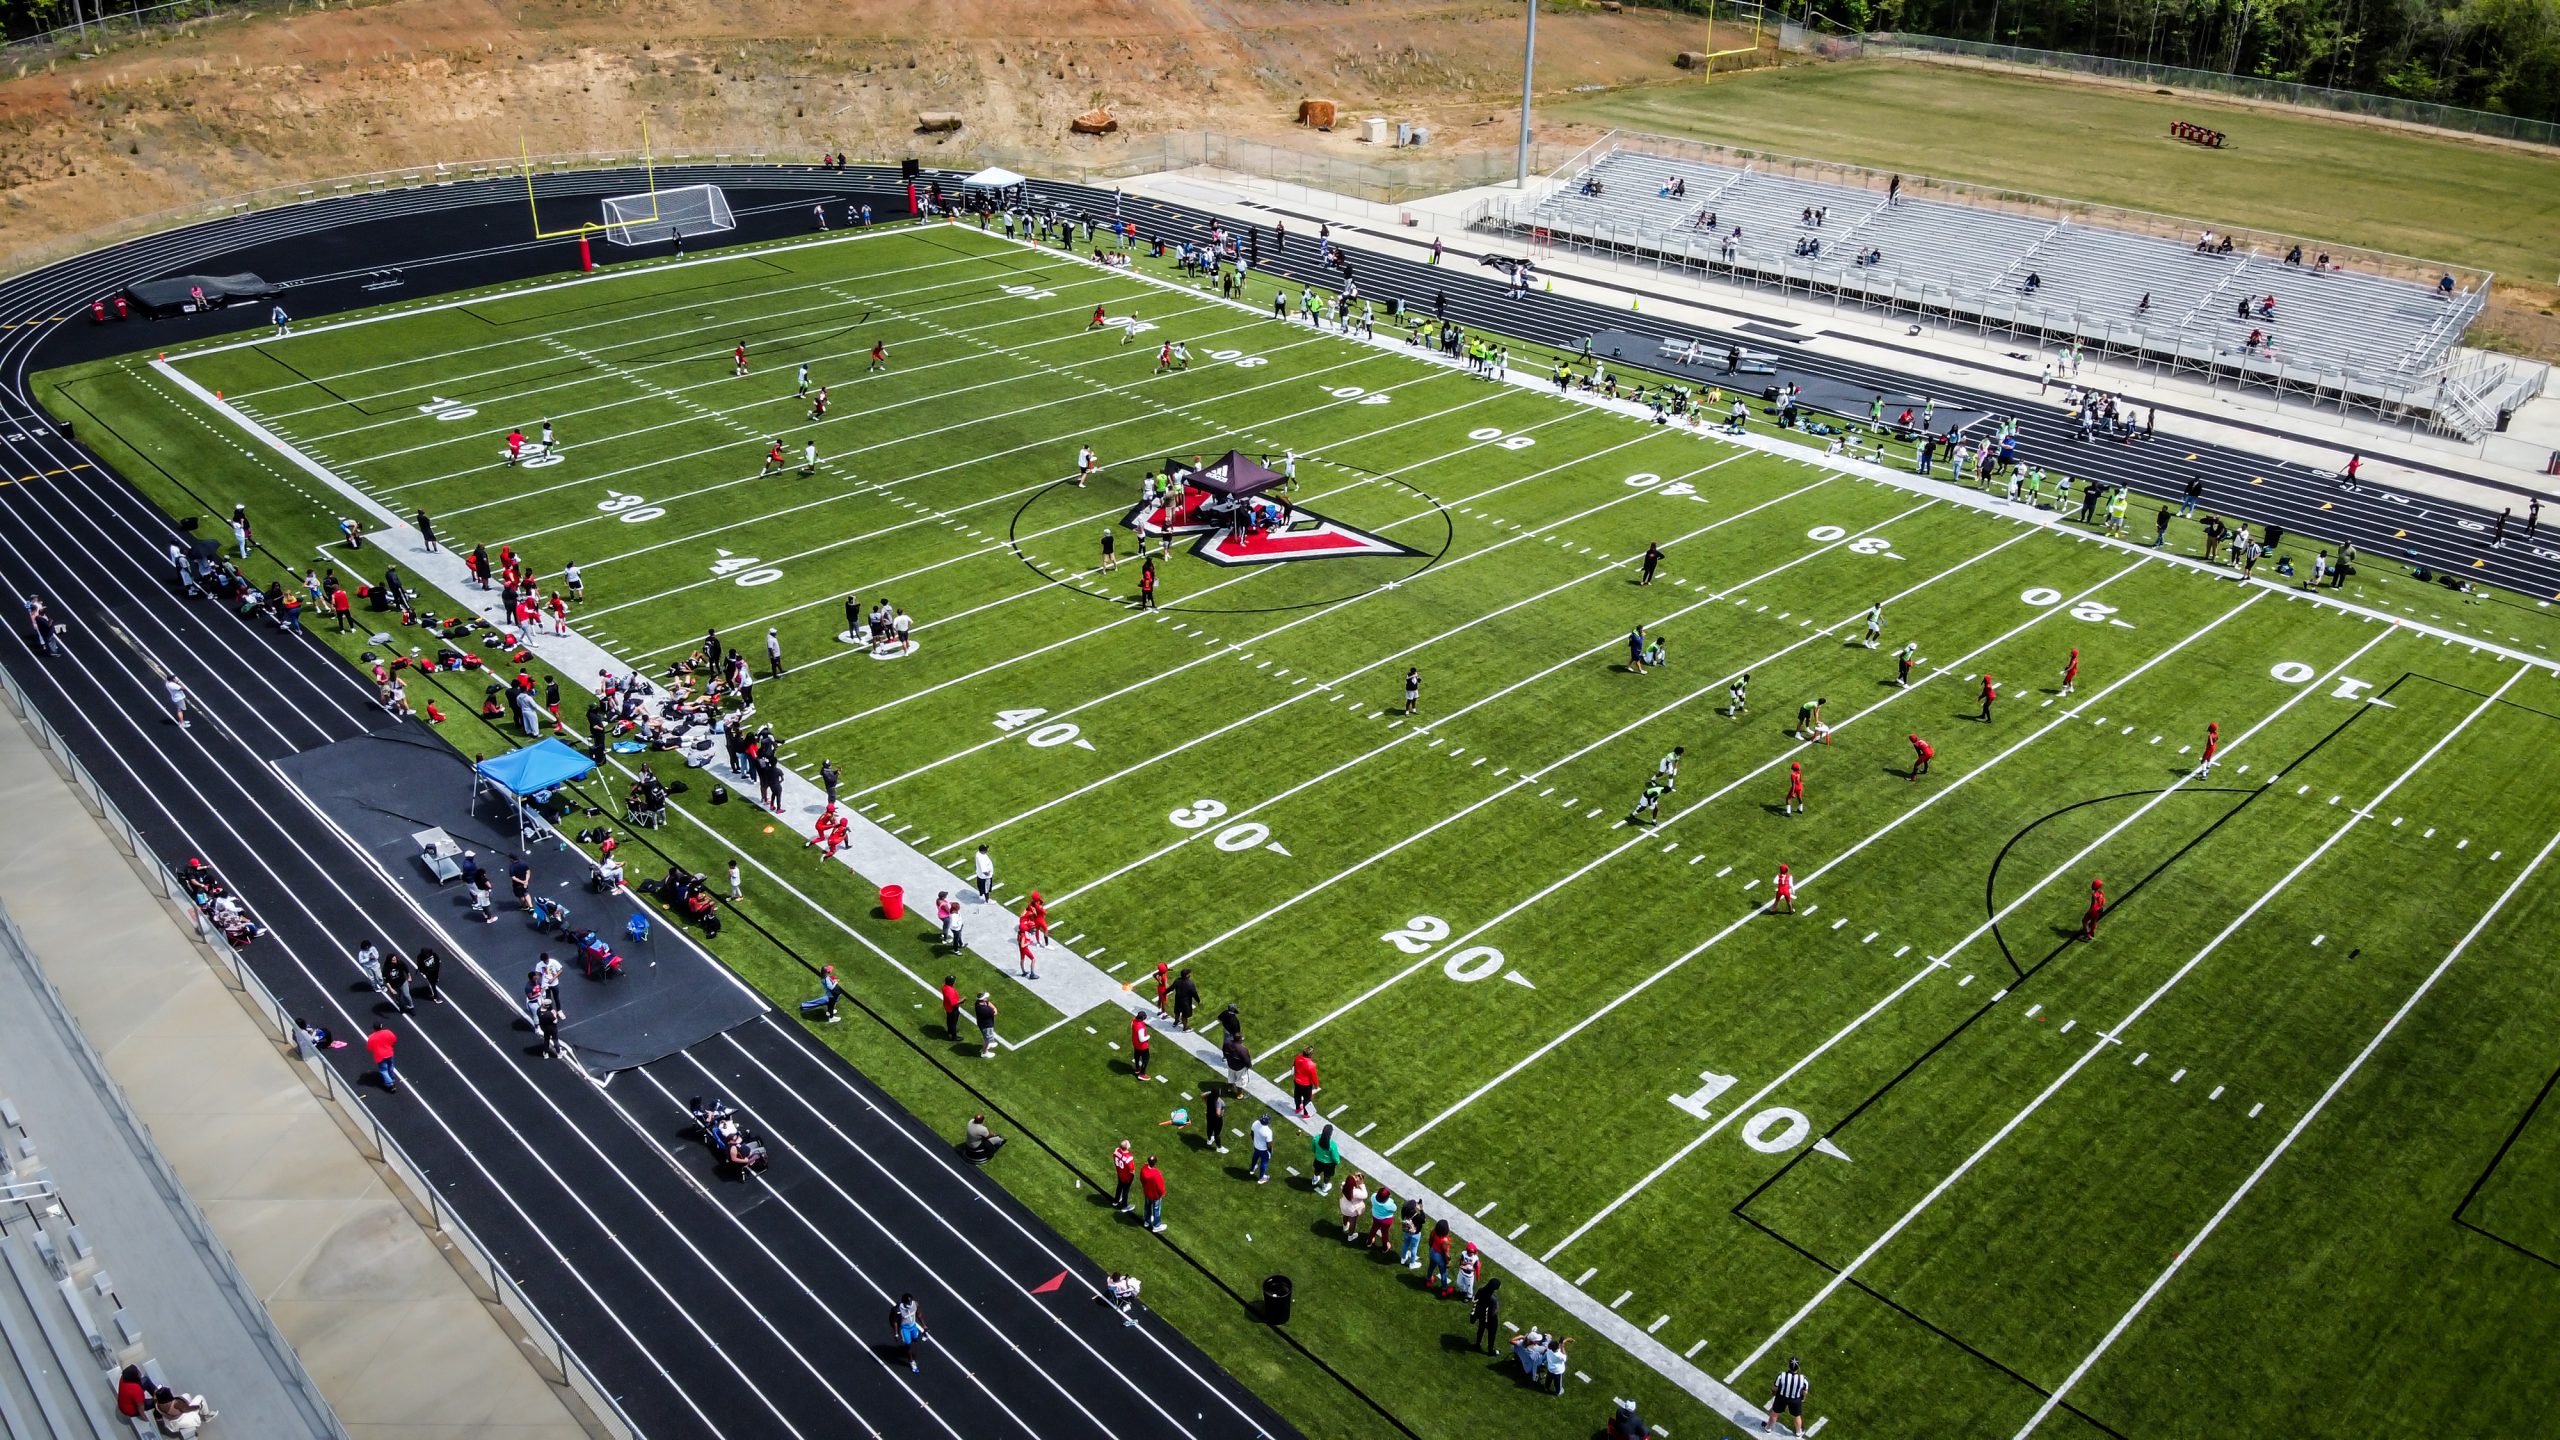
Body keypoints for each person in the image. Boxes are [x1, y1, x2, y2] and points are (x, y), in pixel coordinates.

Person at [1765, 1356, 1811, 1435]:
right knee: (1797, 1416)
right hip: (1795, 1400)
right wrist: (1802, 1398)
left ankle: (1768, 1428)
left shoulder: (1781, 1375)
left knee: (1775, 1413)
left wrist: (1773, 1392)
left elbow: (1775, 1388)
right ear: (1798, 1367)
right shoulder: (1804, 1379)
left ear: (1789, 1365)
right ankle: (1798, 1432)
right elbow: (1805, 1392)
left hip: (1782, 1398)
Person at [893, 1295, 927, 1374]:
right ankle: (911, 1362)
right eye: (907, 1303)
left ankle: (908, 1347)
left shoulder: (915, 1304)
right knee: (908, 1345)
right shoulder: (898, 1309)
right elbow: (895, 1322)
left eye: (910, 1302)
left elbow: (919, 1314)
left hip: (913, 1326)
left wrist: (924, 1325)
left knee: (915, 1338)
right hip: (905, 1329)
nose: (909, 1304)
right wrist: (896, 1333)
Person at [1471, 1274, 1505, 1352]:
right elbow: (1494, 1312)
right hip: (1490, 1319)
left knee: (1481, 1329)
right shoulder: (1493, 1299)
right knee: (1491, 1334)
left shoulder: (1481, 1290)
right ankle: (1490, 1350)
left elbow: (1476, 1299)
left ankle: (1477, 1344)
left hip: (1481, 1314)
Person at [1310, 1123, 1342, 1195]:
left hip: (1318, 1160)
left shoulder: (1316, 1138)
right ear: (1330, 1133)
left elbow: (1313, 1149)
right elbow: (1335, 1158)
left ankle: (1315, 1180)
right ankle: (1324, 1187)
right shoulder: (1332, 1145)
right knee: (1327, 1175)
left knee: (1317, 1170)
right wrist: (1337, 1162)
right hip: (1329, 1164)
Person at [1138, 1155, 1167, 1231]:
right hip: (1155, 1195)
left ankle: (1147, 1221)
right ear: (1155, 1163)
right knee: (1156, 1209)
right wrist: (1162, 1193)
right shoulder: (1156, 1173)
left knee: (1147, 1207)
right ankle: (1156, 1226)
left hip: (1147, 1192)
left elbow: (1141, 1179)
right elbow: (1160, 1186)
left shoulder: (1144, 1168)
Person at [367, 1025, 399, 1092]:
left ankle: (391, 1084)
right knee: (391, 1066)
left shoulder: (371, 1037)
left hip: (380, 1056)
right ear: (381, 1027)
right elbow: (395, 1040)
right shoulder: (388, 1032)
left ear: (374, 1028)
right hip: (389, 1053)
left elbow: (369, 1048)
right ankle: (392, 1078)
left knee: (384, 1070)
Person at [1291, 1048, 1319, 1117]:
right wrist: (1316, 1085)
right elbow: (1314, 1077)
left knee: (1297, 1095)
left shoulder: (1297, 1058)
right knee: (1307, 1099)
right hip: (1306, 1085)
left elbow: (1294, 1066)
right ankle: (1306, 1114)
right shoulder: (1311, 1065)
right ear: (1310, 1055)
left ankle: (1297, 1108)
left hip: (1297, 1081)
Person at [1248, 1111, 1274, 1182]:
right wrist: (1270, 1152)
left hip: (1256, 1146)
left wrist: (1255, 1142)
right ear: (1268, 1122)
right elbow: (1269, 1144)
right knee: (1264, 1163)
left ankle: (1252, 1169)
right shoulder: (1268, 1131)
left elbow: (1252, 1134)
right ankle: (1261, 1178)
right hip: (1264, 1150)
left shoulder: (1255, 1123)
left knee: (1255, 1157)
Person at [974, 992, 999, 1057]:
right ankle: (984, 1053)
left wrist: (991, 1006)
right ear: (983, 999)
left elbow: (988, 1003)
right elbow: (995, 1012)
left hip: (983, 1023)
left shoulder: (978, 1003)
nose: (987, 998)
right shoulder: (985, 1009)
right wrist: (995, 1009)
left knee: (989, 1036)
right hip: (986, 1026)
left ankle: (991, 1043)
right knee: (987, 1040)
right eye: (986, 997)